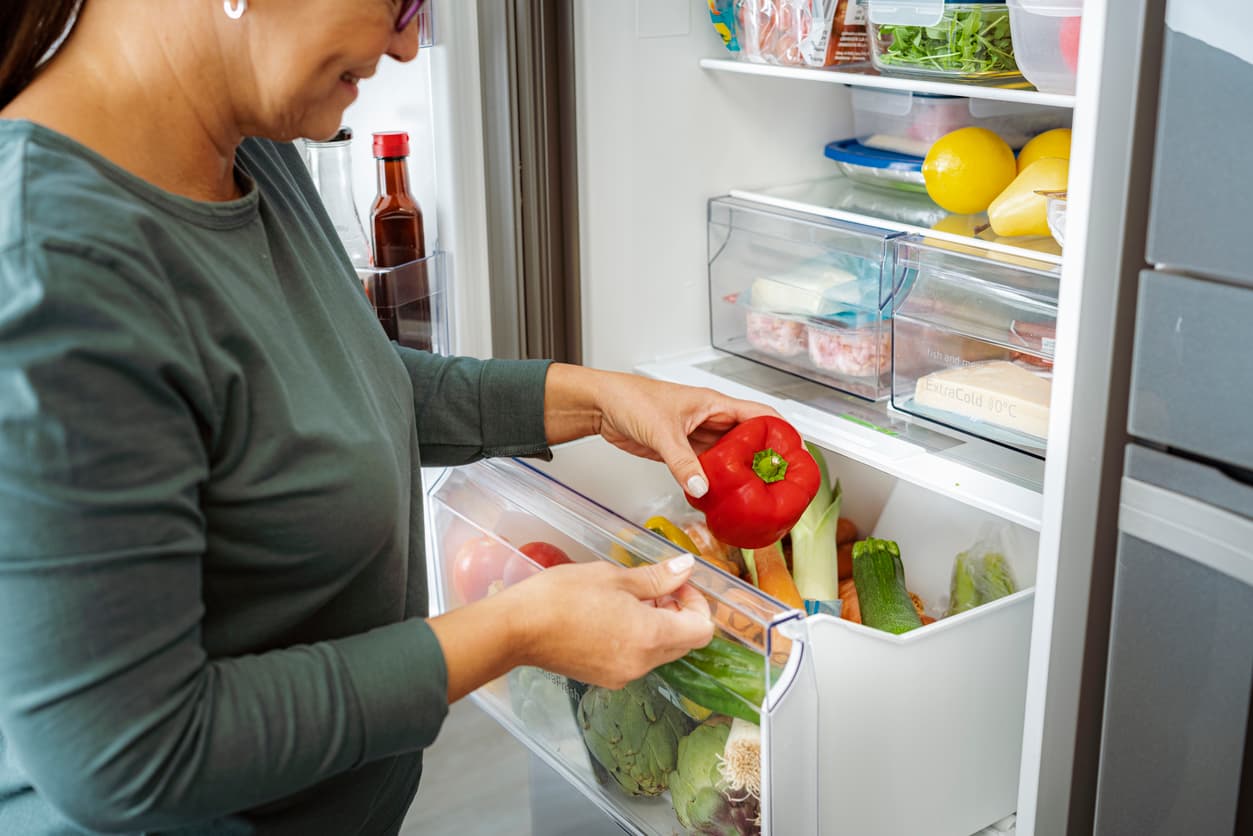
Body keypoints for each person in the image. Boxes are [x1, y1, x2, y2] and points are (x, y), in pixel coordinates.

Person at [0, 1, 776, 834]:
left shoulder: (246, 141)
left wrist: (595, 398)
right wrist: (513, 629)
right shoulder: (54, 265)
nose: (408, 44)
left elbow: (320, 391)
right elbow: (128, 757)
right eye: (401, 4)